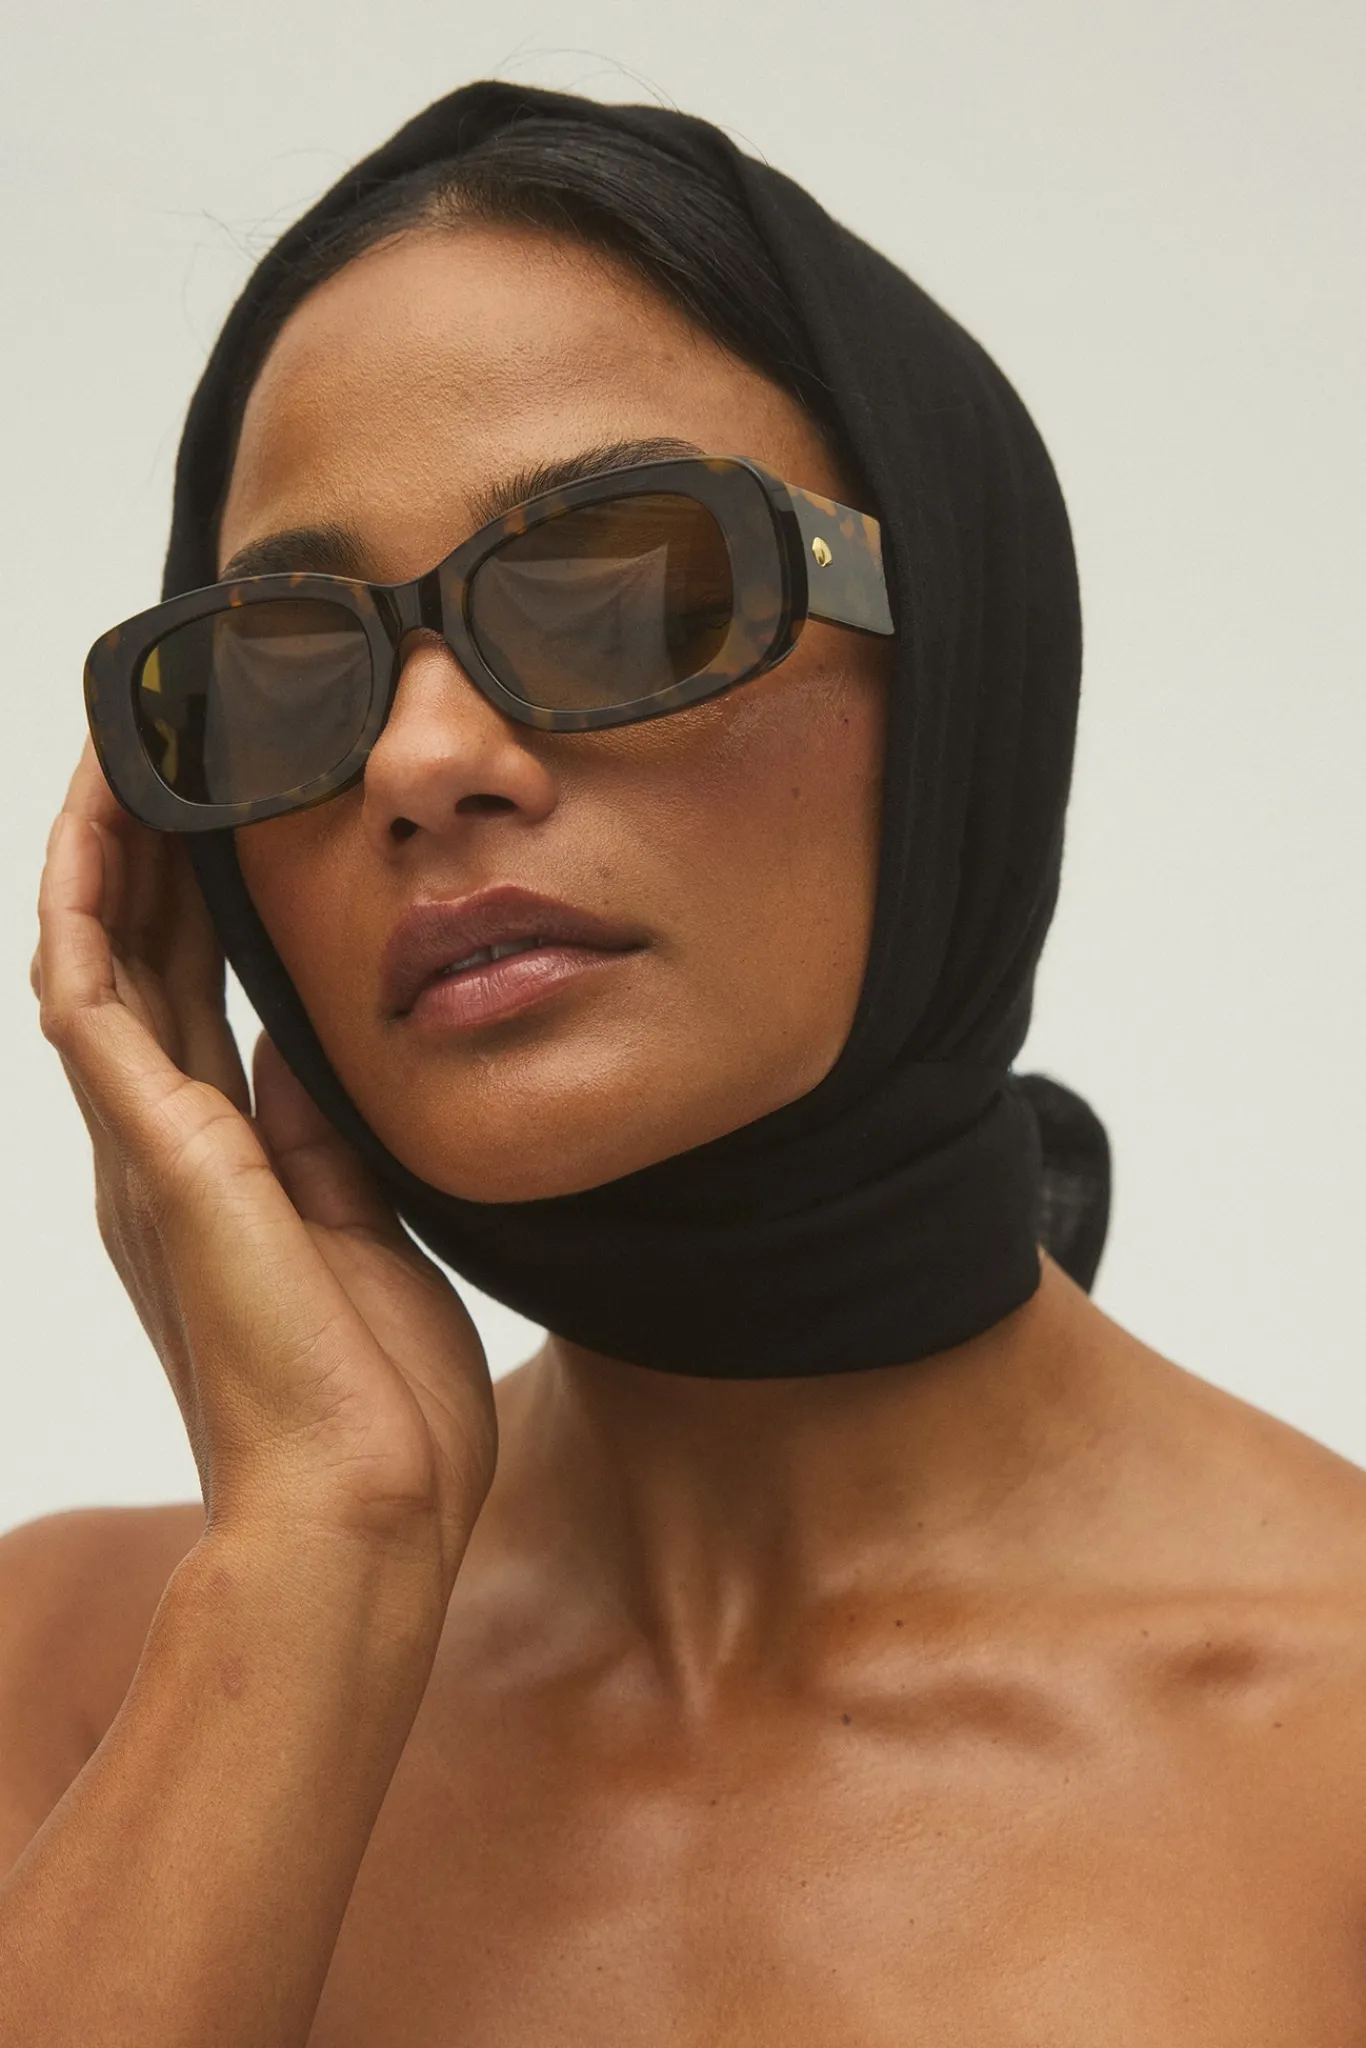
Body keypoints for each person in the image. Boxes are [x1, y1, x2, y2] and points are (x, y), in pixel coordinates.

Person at [4, 81, 1365, 2046]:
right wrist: (321, 1563)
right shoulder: (69, 1689)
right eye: (287, 669)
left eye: (622, 587)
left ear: (956, 652)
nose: (417, 760)